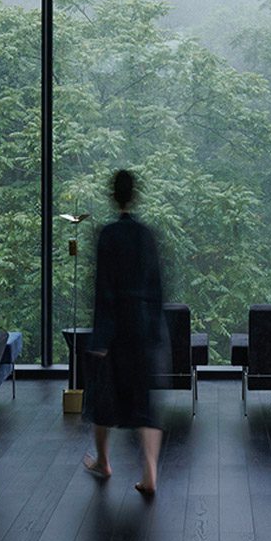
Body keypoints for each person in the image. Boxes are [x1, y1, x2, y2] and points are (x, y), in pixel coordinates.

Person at [82, 168, 167, 496]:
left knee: (104, 398)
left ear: (112, 195)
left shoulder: (107, 235)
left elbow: (103, 288)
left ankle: (103, 462)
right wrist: (155, 329)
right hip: (143, 326)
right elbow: (158, 286)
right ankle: (150, 473)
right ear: (135, 195)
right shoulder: (147, 234)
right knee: (144, 401)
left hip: (115, 328)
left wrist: (101, 337)